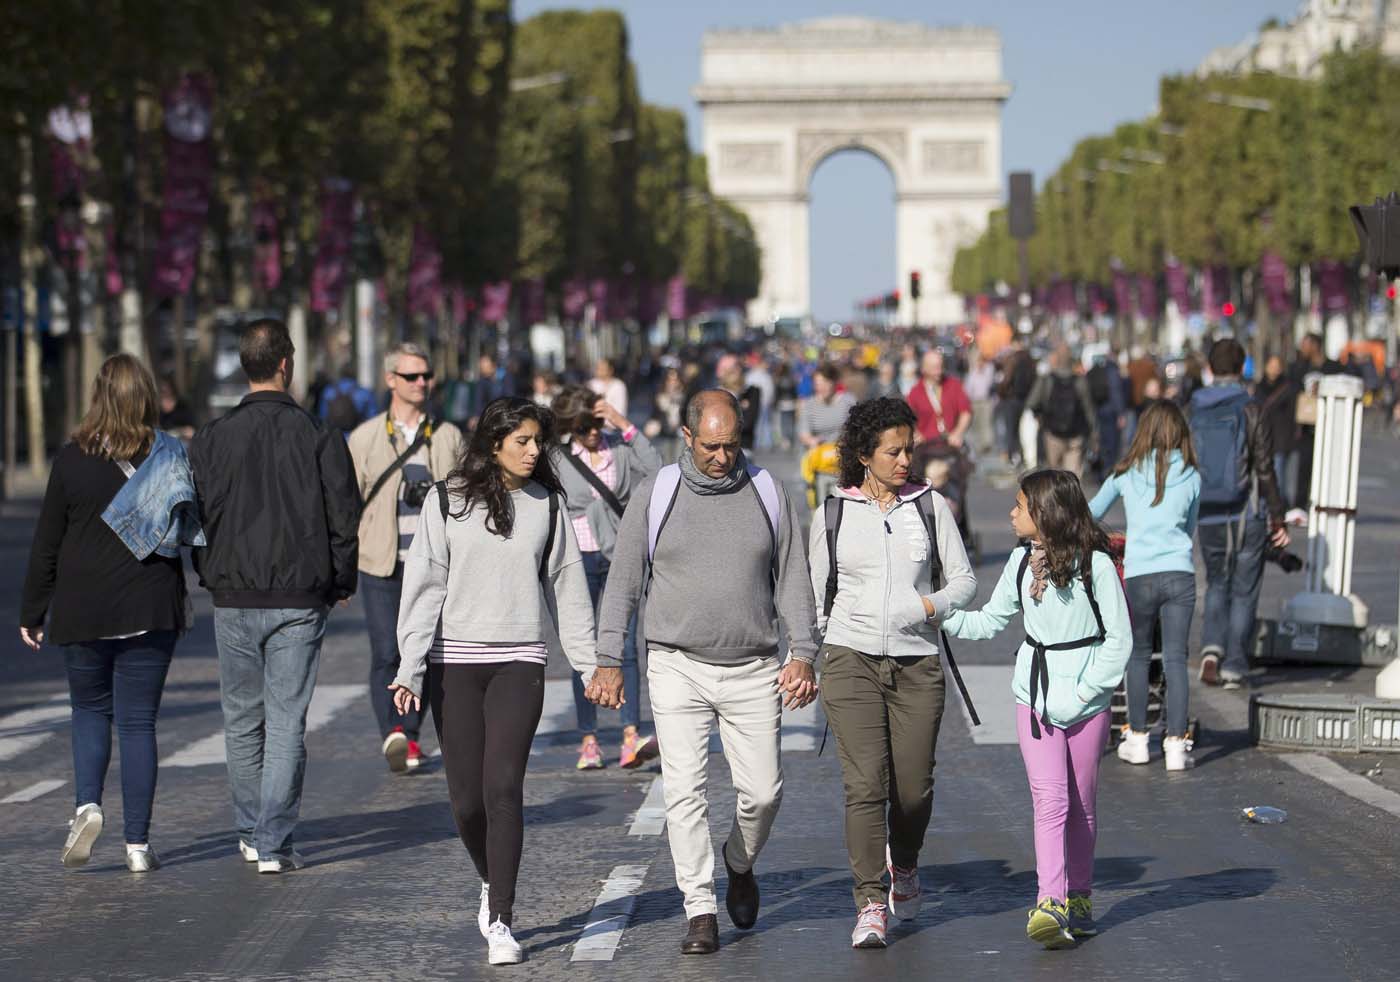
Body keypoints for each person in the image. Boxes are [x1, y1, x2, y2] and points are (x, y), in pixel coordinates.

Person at [595, 390, 820, 955]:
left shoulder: (768, 491)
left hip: (752, 668)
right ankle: (699, 909)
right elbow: (622, 579)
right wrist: (606, 659)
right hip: (676, 665)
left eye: (732, 444)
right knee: (684, 793)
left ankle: (739, 861)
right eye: (711, 447)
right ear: (688, 438)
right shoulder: (657, 494)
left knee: (764, 793)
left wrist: (803, 653)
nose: (723, 457)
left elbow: (793, 575)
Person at [391, 397, 606, 966]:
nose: (535, 452)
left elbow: (567, 588)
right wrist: (410, 665)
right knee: (465, 801)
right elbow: (424, 586)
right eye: (524, 442)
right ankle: (490, 880)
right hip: (453, 666)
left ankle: (504, 919)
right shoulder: (445, 500)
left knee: (503, 787)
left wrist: (588, 665)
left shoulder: (548, 505)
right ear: (494, 444)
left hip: (520, 663)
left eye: (540, 441)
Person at [190, 318, 361, 873]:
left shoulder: (213, 438)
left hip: (234, 592)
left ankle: (249, 830)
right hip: (297, 594)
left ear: (247, 366)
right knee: (287, 720)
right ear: (286, 364)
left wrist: (208, 571)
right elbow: (343, 515)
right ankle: (273, 841)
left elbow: (194, 517)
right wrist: (340, 580)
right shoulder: (318, 435)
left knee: (241, 719)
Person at [20, 354, 202, 872]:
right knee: (139, 723)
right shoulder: (169, 455)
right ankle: (139, 845)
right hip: (151, 606)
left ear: (98, 396)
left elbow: (47, 544)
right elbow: (191, 527)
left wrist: (33, 611)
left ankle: (86, 804)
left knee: (89, 711)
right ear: (146, 396)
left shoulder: (72, 459)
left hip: (83, 610)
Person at [807, 398, 977, 949]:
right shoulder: (831, 513)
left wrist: (928, 608)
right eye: (894, 451)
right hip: (850, 659)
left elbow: (964, 582)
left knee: (912, 790)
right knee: (864, 786)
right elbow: (815, 594)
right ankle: (870, 902)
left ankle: (904, 862)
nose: (906, 459)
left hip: (917, 662)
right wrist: (812, 655)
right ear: (864, 455)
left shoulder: (931, 508)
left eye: (910, 449)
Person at [943, 470, 1132, 949]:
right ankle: (1050, 901)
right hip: (1035, 696)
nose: (1011, 513)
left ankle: (1081, 896)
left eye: (1020, 505)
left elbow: (1120, 641)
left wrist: (1086, 690)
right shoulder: (1021, 564)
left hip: (1087, 703)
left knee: (1082, 807)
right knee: (1051, 802)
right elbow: (990, 621)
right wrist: (938, 614)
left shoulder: (1097, 566)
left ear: (1045, 512)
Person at [347, 343, 465, 773]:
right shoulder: (365, 438)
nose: (422, 384)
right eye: (412, 376)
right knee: (386, 652)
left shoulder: (448, 436)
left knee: (429, 652)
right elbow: (348, 504)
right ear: (391, 380)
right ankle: (396, 733)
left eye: (426, 376)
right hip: (381, 562)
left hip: (435, 564)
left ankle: (411, 733)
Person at [550, 386, 663, 770]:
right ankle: (590, 738)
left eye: (596, 423)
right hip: (578, 557)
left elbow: (656, 468)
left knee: (626, 645)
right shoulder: (560, 456)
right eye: (583, 426)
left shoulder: (618, 446)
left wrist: (621, 422)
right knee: (585, 651)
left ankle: (630, 733)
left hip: (620, 556)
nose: (593, 432)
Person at [1088, 401, 1201, 771]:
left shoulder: (1126, 472)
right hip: (1180, 573)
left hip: (1139, 574)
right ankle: (1176, 746)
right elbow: (1189, 528)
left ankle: (1137, 738)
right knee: (1175, 659)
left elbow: (1091, 513)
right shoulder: (1193, 476)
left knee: (1137, 656)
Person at [1188, 339, 1290, 690]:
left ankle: (1211, 649)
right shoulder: (1252, 408)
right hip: (1248, 511)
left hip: (1208, 511)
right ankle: (1234, 662)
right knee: (1245, 588)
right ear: (1242, 366)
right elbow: (1265, 466)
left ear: (1211, 368)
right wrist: (1278, 515)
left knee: (1217, 581)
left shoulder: (1194, 407)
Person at [1027, 346, 1097, 477]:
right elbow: (1089, 410)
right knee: (1072, 477)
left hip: (1052, 433)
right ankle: (1070, 497)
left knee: (1054, 477)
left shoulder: (1047, 379)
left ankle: (1056, 497)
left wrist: (1039, 417)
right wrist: (1094, 435)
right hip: (1075, 435)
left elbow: (1032, 403)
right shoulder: (1080, 381)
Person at [1254, 355, 1300, 510]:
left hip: (1281, 438)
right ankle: (1272, 504)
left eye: (1276, 366)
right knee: (1265, 473)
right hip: (1262, 437)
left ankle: (1279, 506)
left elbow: (1294, 414)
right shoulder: (1259, 387)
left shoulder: (1288, 388)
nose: (1273, 369)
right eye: (1271, 365)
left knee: (1278, 475)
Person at [907, 349, 971, 450]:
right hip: (926, 447)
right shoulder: (915, 392)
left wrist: (957, 433)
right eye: (934, 368)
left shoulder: (954, 385)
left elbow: (965, 413)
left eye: (940, 366)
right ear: (924, 369)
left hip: (951, 443)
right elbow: (908, 419)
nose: (939, 371)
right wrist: (916, 434)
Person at [1086, 353, 1127, 479]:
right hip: (1110, 412)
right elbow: (1116, 393)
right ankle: (1107, 472)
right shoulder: (1113, 371)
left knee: (1100, 441)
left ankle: (1099, 470)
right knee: (1111, 444)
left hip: (1098, 410)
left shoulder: (1094, 371)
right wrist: (1120, 413)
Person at [997, 341, 1037, 467]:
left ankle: (1013, 456)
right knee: (1025, 430)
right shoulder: (1031, 361)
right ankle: (1024, 455)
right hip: (1027, 399)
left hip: (1012, 399)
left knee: (1011, 429)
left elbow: (1006, 379)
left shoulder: (1012, 360)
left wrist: (1002, 393)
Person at [798, 364, 856, 450]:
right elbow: (804, 432)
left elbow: (856, 429)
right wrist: (811, 441)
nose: (821, 387)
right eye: (818, 384)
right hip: (817, 454)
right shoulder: (809, 404)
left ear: (834, 382)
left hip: (842, 452)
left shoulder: (848, 401)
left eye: (826, 382)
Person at [715, 353, 762, 450]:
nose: (735, 372)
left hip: (744, 446)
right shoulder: (716, 394)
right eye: (730, 371)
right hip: (721, 447)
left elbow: (748, 422)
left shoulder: (752, 391)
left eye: (737, 367)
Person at [318, 365, 378, 436]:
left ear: (341, 375)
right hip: (357, 436)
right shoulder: (364, 393)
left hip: (335, 437)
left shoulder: (328, 391)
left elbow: (322, 417)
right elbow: (373, 419)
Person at [647, 366, 688, 462]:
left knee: (679, 459)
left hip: (680, 433)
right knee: (666, 461)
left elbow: (687, 414)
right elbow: (655, 414)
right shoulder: (660, 396)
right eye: (669, 380)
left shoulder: (685, 395)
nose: (672, 383)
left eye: (675, 380)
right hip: (664, 433)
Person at [962, 350, 997, 455]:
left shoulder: (989, 371)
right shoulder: (972, 373)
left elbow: (990, 383)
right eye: (978, 361)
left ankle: (986, 444)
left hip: (986, 401)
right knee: (976, 424)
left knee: (986, 422)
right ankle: (978, 445)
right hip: (974, 401)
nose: (980, 363)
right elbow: (967, 388)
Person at [157, 376, 196, 441]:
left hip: (182, 440)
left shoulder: (182, 405)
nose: (164, 389)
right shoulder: (157, 408)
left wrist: (183, 431)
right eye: (162, 388)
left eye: (167, 387)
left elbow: (192, 429)